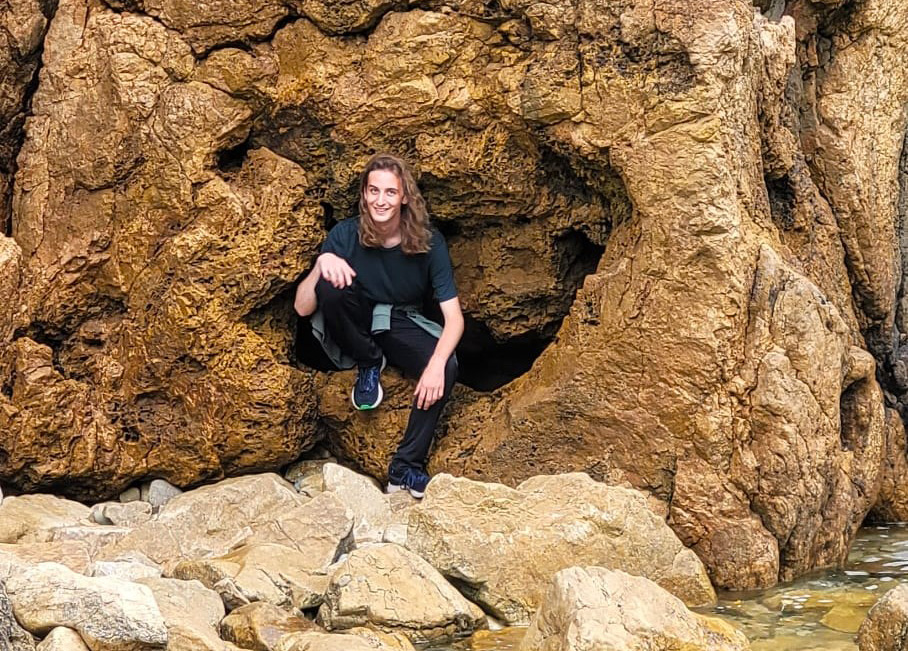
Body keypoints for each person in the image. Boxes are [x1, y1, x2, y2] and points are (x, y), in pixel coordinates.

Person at [294, 153, 464, 498]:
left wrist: (433, 368)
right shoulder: (345, 234)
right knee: (330, 285)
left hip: (397, 321)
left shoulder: (429, 242)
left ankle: (405, 469)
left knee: (446, 365)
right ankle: (369, 363)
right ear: (364, 194)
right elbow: (302, 307)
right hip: (354, 321)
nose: (380, 200)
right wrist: (322, 261)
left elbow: (455, 319)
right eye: (374, 191)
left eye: (390, 192)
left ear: (404, 197)